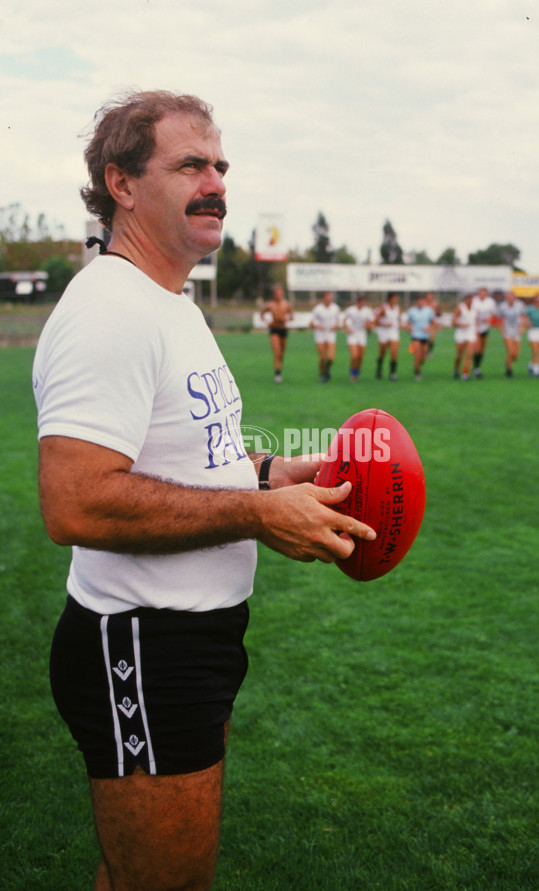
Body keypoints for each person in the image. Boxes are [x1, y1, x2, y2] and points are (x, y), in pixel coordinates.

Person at [32, 90, 376, 891]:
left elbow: (185, 453)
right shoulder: (110, 310)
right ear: (120, 183)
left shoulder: (170, 301)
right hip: (142, 646)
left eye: (220, 164)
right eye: (190, 164)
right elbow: (76, 501)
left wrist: (267, 473)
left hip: (190, 640)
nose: (216, 180)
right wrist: (259, 514)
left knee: (137, 875)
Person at [260, 284, 293, 383]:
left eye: (281, 294)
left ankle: (279, 369)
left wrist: (286, 319)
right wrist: (267, 322)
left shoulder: (286, 304)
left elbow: (291, 316)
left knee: (281, 354)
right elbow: (262, 313)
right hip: (274, 329)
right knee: (277, 352)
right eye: (277, 294)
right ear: (274, 295)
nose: (279, 295)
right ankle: (277, 374)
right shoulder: (270, 304)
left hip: (283, 329)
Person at [310, 290, 341, 381]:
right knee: (322, 357)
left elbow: (338, 320)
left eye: (330, 298)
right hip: (320, 334)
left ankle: (327, 370)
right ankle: (322, 374)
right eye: (327, 298)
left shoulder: (335, 308)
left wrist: (336, 326)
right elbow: (311, 322)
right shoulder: (317, 309)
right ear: (323, 299)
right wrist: (318, 326)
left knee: (331, 357)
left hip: (331, 333)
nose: (329, 300)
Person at [343, 294, 375, 382]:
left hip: (362, 335)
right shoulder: (350, 310)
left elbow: (372, 322)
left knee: (360, 357)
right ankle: (352, 373)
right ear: (357, 302)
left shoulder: (367, 311)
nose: (362, 303)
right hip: (352, 334)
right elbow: (344, 320)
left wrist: (368, 325)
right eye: (360, 302)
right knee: (354, 356)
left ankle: (356, 373)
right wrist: (347, 328)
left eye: (363, 302)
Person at [405, 294, 435, 381]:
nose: (420, 303)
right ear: (416, 302)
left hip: (425, 337)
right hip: (415, 336)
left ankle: (419, 365)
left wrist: (429, 328)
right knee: (417, 355)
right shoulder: (411, 311)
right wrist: (408, 328)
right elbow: (408, 323)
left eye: (422, 301)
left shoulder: (429, 311)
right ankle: (417, 373)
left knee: (423, 358)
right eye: (418, 301)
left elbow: (433, 323)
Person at [497, 290, 527, 377]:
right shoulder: (502, 306)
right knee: (510, 351)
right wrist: (501, 328)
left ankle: (508, 362)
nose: (509, 299)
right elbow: (498, 318)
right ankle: (508, 369)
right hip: (507, 330)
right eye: (507, 297)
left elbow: (524, 316)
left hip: (517, 330)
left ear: (514, 297)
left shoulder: (520, 305)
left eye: (511, 297)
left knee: (516, 354)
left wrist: (522, 327)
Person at [471, 287, 498, 378]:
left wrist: (489, 319)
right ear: (478, 293)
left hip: (485, 327)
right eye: (481, 293)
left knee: (482, 350)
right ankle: (476, 368)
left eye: (484, 293)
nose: (482, 295)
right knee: (477, 349)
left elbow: (494, 314)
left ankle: (477, 366)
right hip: (476, 328)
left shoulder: (490, 302)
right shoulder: (474, 301)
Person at [374, 293, 401, 381]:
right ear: (390, 299)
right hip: (384, 332)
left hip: (394, 332)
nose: (396, 300)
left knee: (394, 353)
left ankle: (392, 373)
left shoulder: (398, 308)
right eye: (394, 298)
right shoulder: (383, 308)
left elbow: (398, 320)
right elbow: (376, 320)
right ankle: (379, 368)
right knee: (382, 352)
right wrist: (385, 324)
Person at [452, 293, 477, 380]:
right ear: (465, 299)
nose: (470, 300)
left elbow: (476, 320)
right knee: (459, 355)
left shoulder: (475, 308)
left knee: (469, 354)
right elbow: (453, 321)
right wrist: (462, 324)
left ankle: (465, 374)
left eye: (472, 298)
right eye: (469, 298)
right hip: (460, 333)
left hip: (470, 333)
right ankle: (456, 369)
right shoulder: (460, 308)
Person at [424, 291, 441, 357]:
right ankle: (422, 350)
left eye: (431, 296)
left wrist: (438, 324)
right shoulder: (424, 303)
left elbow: (437, 314)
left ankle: (429, 352)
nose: (430, 297)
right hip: (425, 322)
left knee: (432, 338)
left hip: (432, 323)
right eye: (428, 295)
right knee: (424, 337)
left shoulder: (435, 304)